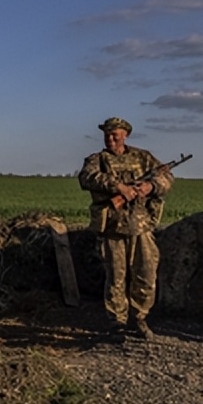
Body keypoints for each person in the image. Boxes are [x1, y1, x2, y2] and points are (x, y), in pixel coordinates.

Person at [78, 117, 174, 341]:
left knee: (146, 273)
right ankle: (117, 322)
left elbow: (167, 176)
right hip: (112, 226)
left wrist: (150, 186)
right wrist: (118, 187)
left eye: (115, 135)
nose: (111, 138)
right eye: (108, 134)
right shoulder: (97, 160)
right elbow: (87, 177)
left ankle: (140, 317)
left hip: (141, 226)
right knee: (116, 276)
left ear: (125, 135)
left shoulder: (143, 157)